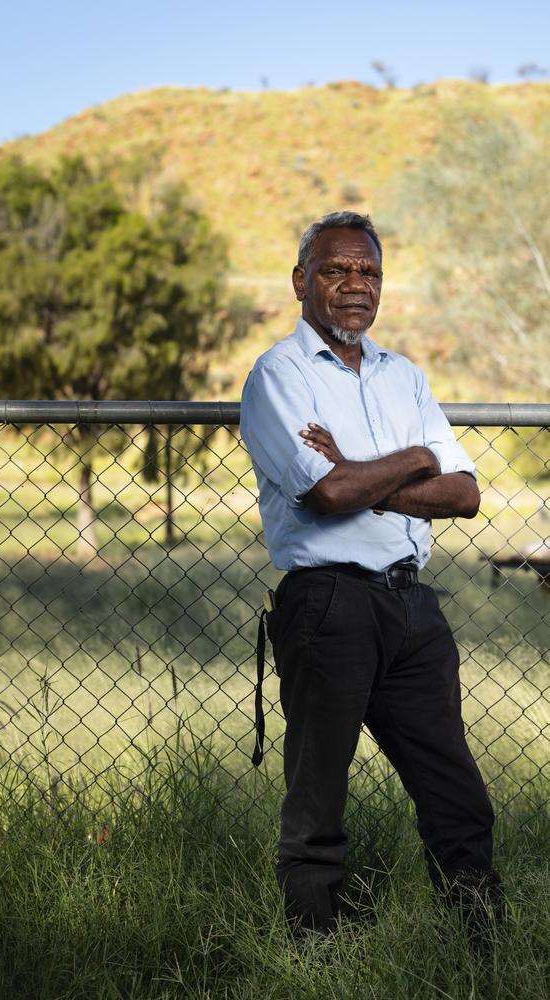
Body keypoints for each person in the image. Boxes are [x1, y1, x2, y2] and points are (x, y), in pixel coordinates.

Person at [240, 211, 503, 936]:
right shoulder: (278, 377)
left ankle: (482, 946)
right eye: (336, 270)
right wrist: (414, 457)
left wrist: (366, 472)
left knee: (456, 794)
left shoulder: (403, 377)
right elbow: (324, 494)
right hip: (327, 607)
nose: (356, 284)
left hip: (412, 608)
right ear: (302, 281)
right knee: (318, 804)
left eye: (369, 272)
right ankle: (313, 956)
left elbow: (465, 493)